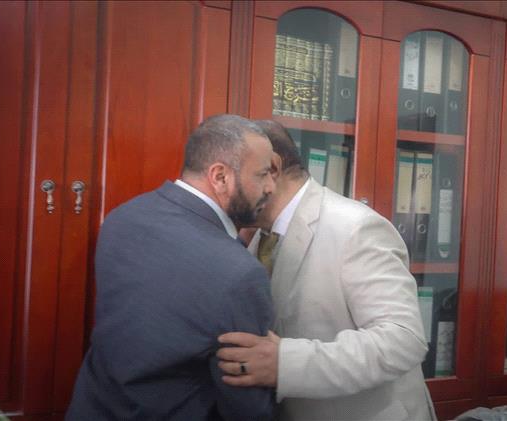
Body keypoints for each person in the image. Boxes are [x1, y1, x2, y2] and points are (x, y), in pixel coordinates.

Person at [217, 120, 436, 420]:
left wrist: (285, 364)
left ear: (272, 168)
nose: (222, 189)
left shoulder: (356, 228)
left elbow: (403, 341)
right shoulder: (257, 236)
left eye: (228, 176)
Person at [67, 115, 277, 420]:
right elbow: (247, 407)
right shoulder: (240, 273)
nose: (271, 187)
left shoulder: (122, 217)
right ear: (220, 177)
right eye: (263, 174)